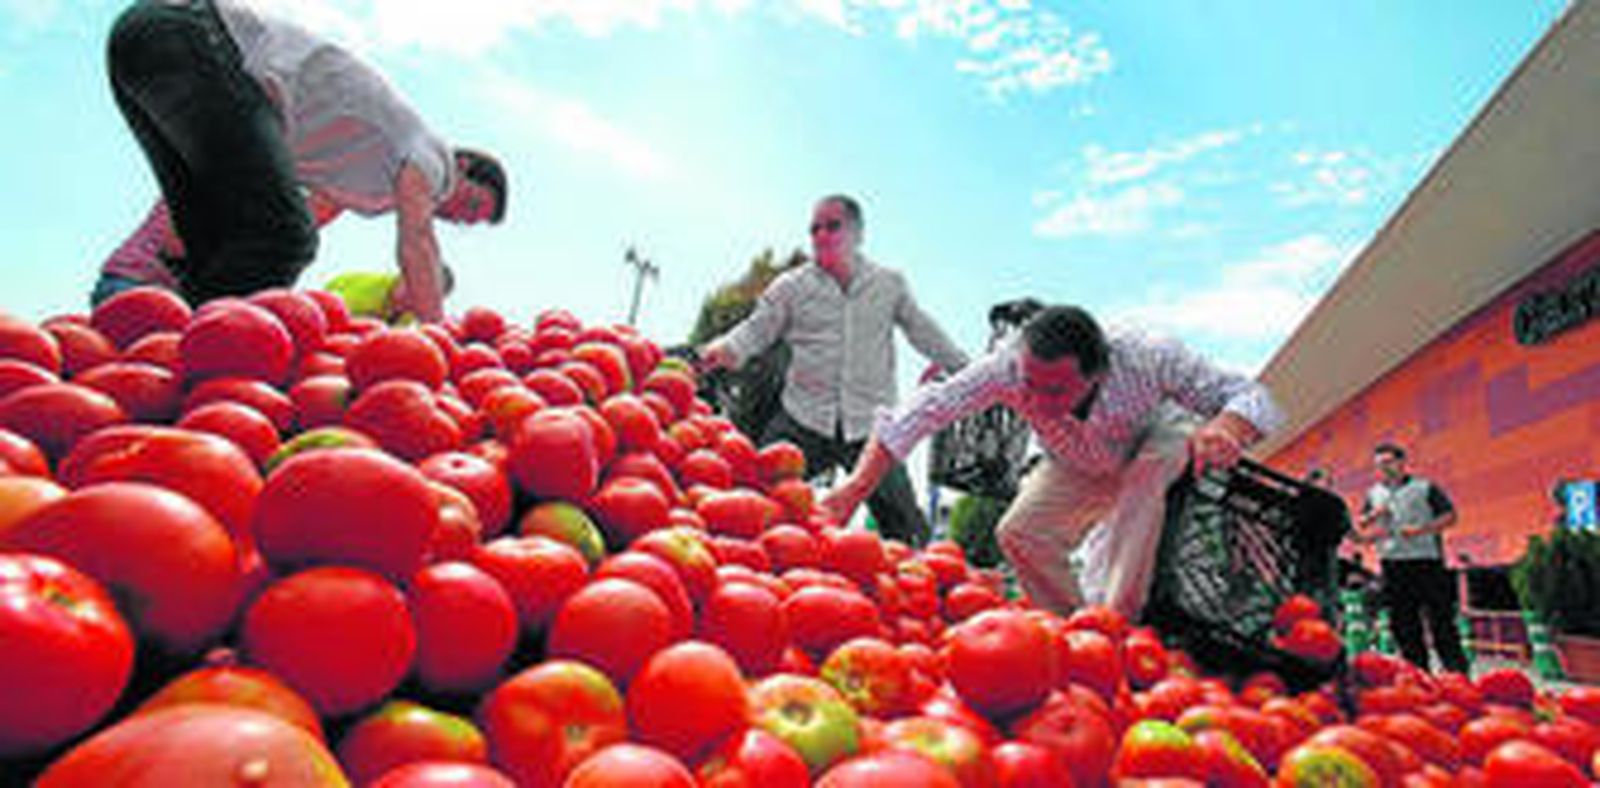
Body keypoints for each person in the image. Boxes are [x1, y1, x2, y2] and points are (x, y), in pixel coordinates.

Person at [819, 304, 1284, 620]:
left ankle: (1118, 625)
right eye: (1030, 386)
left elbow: (1249, 394)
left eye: (1056, 390)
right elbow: (921, 412)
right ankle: (1077, 632)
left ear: (1098, 373)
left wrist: (1227, 428)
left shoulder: (1148, 356)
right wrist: (854, 489)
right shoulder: (1006, 370)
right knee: (1019, 533)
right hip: (1076, 460)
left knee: (1148, 470)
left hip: (1156, 439)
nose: (1037, 401)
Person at [94, 0, 508, 322]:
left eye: (467, 223)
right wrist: (438, 340)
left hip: (142, 44)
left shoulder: (369, 172)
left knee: (224, 247)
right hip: (198, 37)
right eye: (470, 205)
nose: (456, 216)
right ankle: (205, 364)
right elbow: (418, 243)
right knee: (280, 239)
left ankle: (171, 369)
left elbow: (315, 213)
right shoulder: (433, 156)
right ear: (464, 165)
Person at [698, 194, 970, 546]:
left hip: (872, 429)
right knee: (756, 500)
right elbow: (756, 330)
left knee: (905, 528)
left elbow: (921, 328)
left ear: (858, 233)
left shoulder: (889, 284)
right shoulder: (791, 287)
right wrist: (720, 350)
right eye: (814, 229)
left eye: (832, 226)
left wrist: (964, 368)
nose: (821, 235)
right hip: (803, 418)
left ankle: (917, 589)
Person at [1350, 442, 1469, 673]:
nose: (1383, 468)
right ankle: (1418, 673)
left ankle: (1457, 673)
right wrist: (1374, 515)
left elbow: (1450, 517)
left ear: (1401, 462)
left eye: (1388, 462)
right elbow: (1361, 525)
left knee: (1441, 621)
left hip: (1427, 561)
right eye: (1378, 464)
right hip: (1392, 565)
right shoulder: (1373, 494)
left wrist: (1421, 530)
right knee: (1403, 624)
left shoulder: (1425, 488)